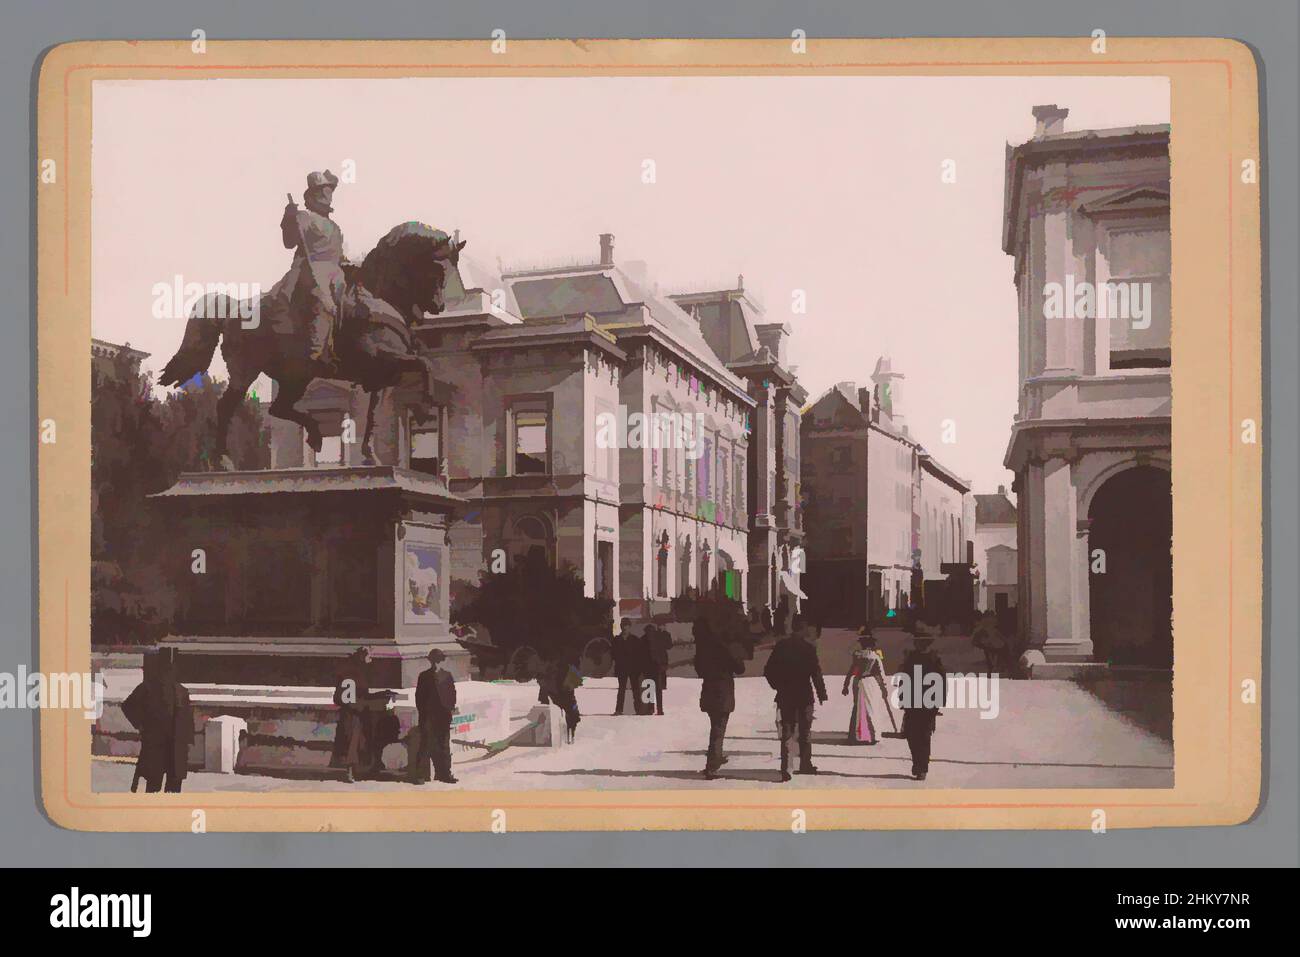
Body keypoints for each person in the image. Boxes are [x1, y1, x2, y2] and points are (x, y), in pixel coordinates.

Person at [270, 169, 347, 372]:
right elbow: (289, 242)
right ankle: (316, 352)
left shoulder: (335, 227)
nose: (327, 195)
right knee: (322, 300)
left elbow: (338, 255)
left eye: (329, 191)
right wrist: (289, 219)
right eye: (323, 191)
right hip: (310, 271)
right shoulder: (304, 217)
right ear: (312, 195)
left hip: (335, 273)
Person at [763, 614, 828, 781]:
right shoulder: (808, 648)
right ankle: (805, 764)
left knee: (787, 731)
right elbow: (816, 673)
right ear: (803, 628)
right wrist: (822, 693)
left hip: (785, 695)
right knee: (805, 731)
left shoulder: (781, 646)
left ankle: (787, 768)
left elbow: (768, 670)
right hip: (804, 695)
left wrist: (778, 685)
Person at [121, 649, 194, 793]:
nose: (170, 672)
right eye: (167, 668)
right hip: (156, 746)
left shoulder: (182, 691)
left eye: (172, 669)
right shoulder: (148, 688)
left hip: (176, 748)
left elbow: (187, 719)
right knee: (153, 786)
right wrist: (141, 725)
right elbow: (127, 706)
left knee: (173, 790)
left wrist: (188, 742)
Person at [693, 618, 744, 779]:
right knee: (718, 729)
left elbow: (699, 670)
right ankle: (712, 765)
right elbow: (740, 668)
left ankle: (716, 757)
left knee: (715, 727)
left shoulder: (703, 650)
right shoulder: (725, 648)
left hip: (708, 691)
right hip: (723, 693)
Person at [899, 634, 947, 781]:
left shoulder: (934, 658)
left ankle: (922, 768)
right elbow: (904, 677)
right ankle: (917, 763)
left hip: (928, 703)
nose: (920, 645)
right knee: (912, 736)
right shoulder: (911, 658)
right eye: (918, 643)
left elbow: (941, 680)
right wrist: (902, 697)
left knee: (924, 736)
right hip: (912, 702)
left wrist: (939, 701)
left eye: (923, 643)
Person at [841, 627, 897, 745]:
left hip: (858, 682)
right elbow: (880, 674)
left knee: (858, 707)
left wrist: (846, 684)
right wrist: (884, 688)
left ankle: (857, 735)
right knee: (870, 708)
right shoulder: (874, 656)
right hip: (869, 683)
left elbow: (852, 670)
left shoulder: (857, 655)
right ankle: (870, 735)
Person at [411, 648, 458, 784]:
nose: (435, 663)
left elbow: (452, 695)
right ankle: (420, 775)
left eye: (438, 661)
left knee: (444, 745)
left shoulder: (447, 675)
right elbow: (419, 697)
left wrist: (450, 709)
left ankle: (444, 773)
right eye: (434, 661)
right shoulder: (424, 676)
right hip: (428, 716)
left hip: (443, 716)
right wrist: (423, 713)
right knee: (425, 745)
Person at [331, 647, 378, 782]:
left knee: (349, 741)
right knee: (355, 742)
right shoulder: (362, 674)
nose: (371, 658)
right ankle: (353, 771)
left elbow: (337, 698)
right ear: (363, 656)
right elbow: (364, 694)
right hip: (358, 712)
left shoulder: (345, 673)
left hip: (346, 713)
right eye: (369, 655)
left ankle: (353, 770)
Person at [611, 618, 641, 716]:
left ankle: (638, 709)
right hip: (621, 668)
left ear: (629, 627)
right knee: (621, 689)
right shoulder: (616, 640)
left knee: (635, 689)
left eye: (626, 626)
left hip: (633, 668)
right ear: (621, 627)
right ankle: (619, 709)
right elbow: (613, 654)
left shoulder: (635, 640)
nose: (624, 628)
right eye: (623, 625)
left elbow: (639, 654)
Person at [645, 625, 673, 716]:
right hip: (656, 664)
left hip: (655, 665)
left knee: (652, 687)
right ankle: (657, 709)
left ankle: (652, 709)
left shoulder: (660, 636)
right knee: (656, 688)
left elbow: (668, 646)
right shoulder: (659, 636)